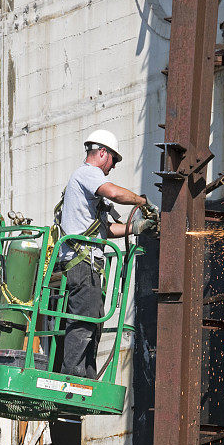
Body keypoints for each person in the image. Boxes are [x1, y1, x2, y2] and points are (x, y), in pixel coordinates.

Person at [56, 129, 158, 379]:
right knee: (84, 322)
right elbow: (114, 192)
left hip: (87, 266)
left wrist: (137, 227)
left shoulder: (85, 185)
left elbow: (105, 229)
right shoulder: (87, 174)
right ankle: (73, 377)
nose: (112, 167)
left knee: (92, 321)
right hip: (82, 265)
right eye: (113, 160)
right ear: (102, 152)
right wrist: (143, 202)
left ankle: (86, 376)